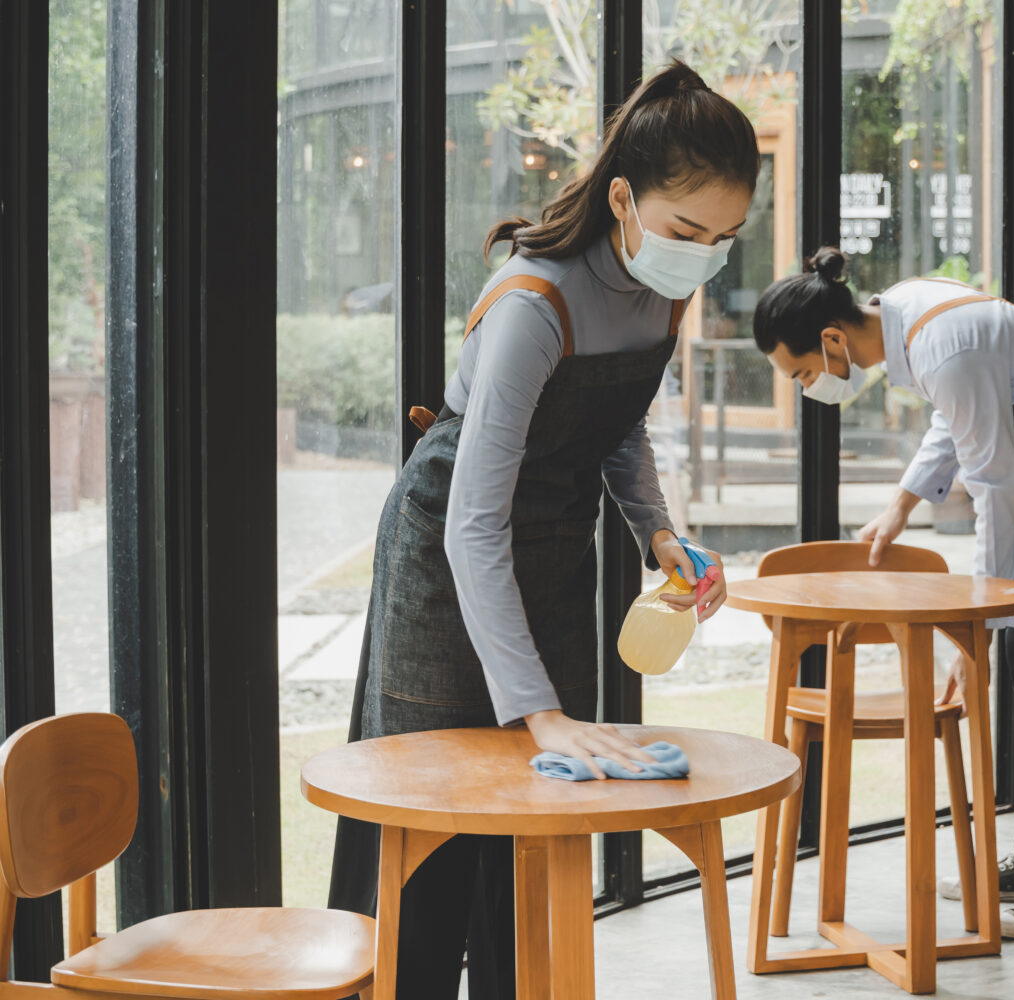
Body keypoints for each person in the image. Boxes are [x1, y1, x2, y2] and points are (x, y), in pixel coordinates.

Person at [327, 61, 757, 997]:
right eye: (687, 230)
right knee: (435, 825)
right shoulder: (533, 303)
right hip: (450, 556)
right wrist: (538, 707)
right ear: (622, 198)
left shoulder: (664, 288)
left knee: (537, 829)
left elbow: (620, 425)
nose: (702, 255)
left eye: (726, 239)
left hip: (557, 548)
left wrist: (659, 534)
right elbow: (473, 523)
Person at [751, 248, 1014, 939]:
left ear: (831, 339)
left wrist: (976, 622)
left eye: (803, 373)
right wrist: (904, 503)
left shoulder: (942, 342)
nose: (807, 386)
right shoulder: (906, 315)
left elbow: (993, 483)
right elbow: (955, 417)